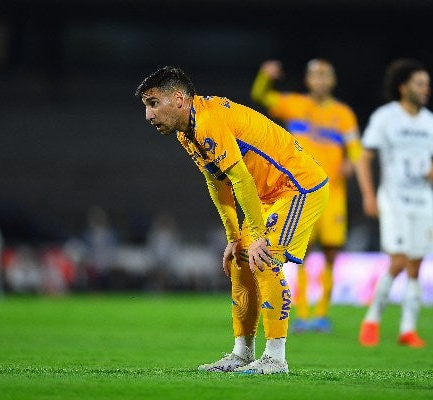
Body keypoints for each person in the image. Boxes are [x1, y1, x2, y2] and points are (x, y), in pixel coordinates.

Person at [135, 66, 329, 374]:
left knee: (264, 259)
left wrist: (258, 235)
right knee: (241, 262)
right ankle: (242, 353)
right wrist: (235, 237)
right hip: (268, 195)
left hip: (298, 185)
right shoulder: (188, 132)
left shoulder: (208, 122)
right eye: (146, 105)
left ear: (179, 99)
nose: (148, 115)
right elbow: (218, 181)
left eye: (153, 103)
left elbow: (240, 179)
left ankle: (276, 358)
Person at [251, 59, 362, 332]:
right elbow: (260, 96)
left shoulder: (343, 114)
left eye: (325, 76)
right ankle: (301, 314)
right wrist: (265, 76)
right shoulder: (295, 104)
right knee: (298, 252)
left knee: (331, 253)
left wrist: (352, 163)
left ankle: (322, 313)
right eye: (315, 75)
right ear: (308, 80)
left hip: (333, 193)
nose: (320, 81)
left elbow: (356, 150)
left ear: (332, 81)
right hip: (300, 191)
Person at [357, 59, 433, 348]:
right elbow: (364, 157)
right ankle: (372, 320)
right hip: (394, 199)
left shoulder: (432, 123)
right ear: (403, 86)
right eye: (420, 83)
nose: (425, 89)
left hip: (423, 200)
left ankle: (407, 329)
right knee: (398, 260)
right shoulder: (385, 118)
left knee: (416, 265)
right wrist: (369, 195)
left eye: (427, 84)